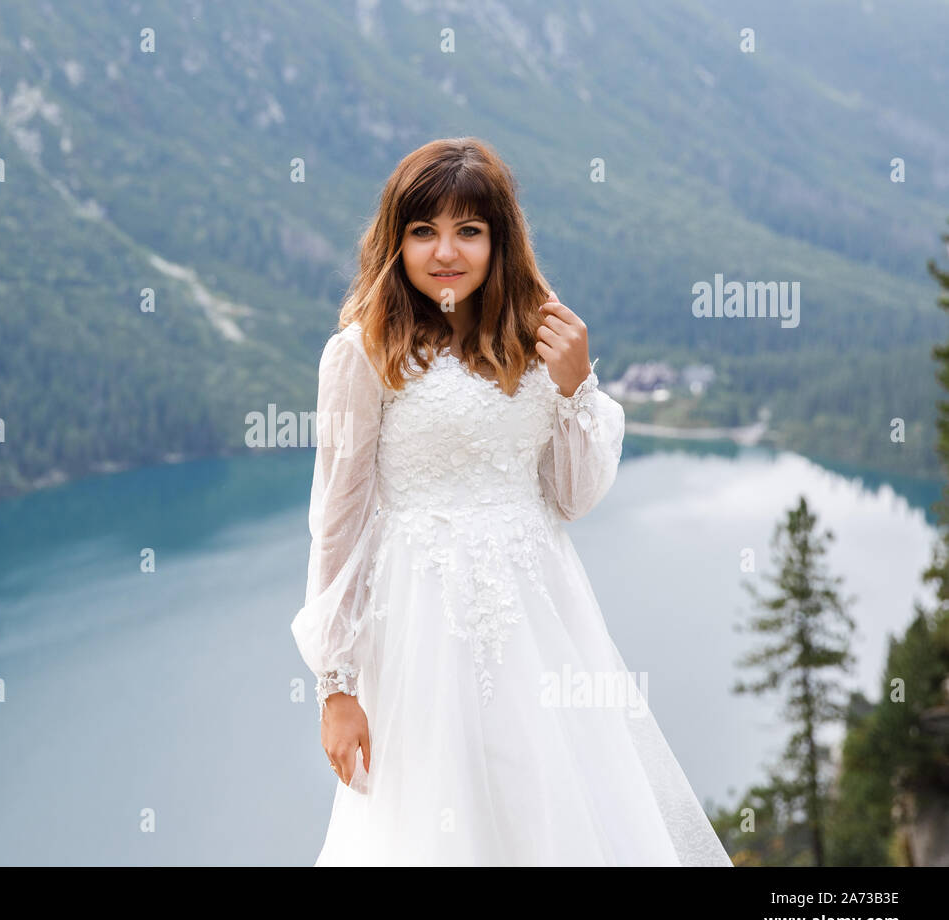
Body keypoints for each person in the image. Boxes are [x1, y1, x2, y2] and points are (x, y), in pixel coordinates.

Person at [291, 137, 732, 865]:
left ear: (501, 239)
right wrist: (334, 687)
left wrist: (576, 385)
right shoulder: (363, 351)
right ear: (394, 242)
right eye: (423, 231)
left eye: (470, 230)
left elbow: (570, 496)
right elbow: (334, 523)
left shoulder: (540, 337)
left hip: (541, 620)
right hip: (417, 632)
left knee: (547, 810)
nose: (445, 252)